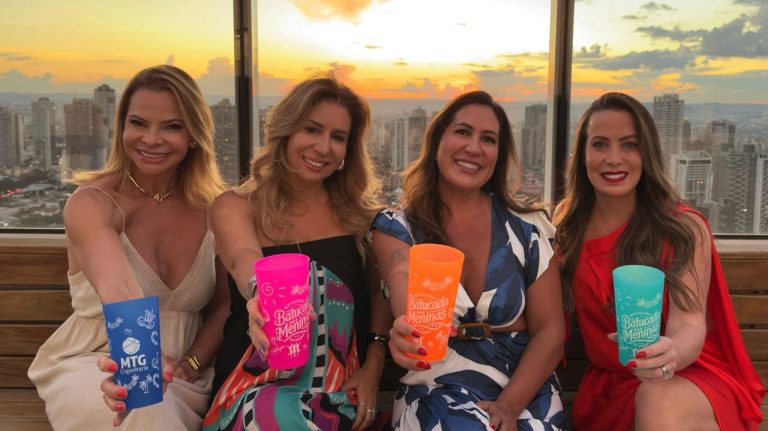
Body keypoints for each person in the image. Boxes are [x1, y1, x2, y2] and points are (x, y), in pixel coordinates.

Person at [27, 64, 230, 430]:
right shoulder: (91, 203)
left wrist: (191, 364)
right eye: (138, 123)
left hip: (189, 376)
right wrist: (143, 368)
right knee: (142, 404)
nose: (151, 139)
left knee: (153, 404)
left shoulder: (214, 209)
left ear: (194, 135)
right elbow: (119, 290)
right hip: (96, 363)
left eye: (171, 126)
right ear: (121, 127)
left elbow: (224, 305)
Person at [553, 92, 765, 430]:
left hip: (687, 376)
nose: (613, 159)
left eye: (629, 145)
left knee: (657, 400)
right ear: (583, 155)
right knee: (650, 398)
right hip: (612, 385)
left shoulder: (683, 227)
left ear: (647, 153)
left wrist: (670, 352)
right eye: (600, 145)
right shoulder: (567, 223)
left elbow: (689, 322)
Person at [202, 74, 393, 431]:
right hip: (253, 391)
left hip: (337, 394)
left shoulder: (360, 218)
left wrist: (374, 364)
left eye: (338, 137)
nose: (324, 147)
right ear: (286, 131)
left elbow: (378, 291)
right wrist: (259, 293)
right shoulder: (237, 206)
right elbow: (243, 256)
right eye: (312, 129)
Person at [371, 91, 566, 431]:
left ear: (498, 155)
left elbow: (550, 330)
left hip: (524, 388)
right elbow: (402, 275)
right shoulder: (397, 227)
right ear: (437, 142)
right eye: (462, 132)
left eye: (488, 139)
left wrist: (509, 405)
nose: (474, 147)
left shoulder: (529, 229)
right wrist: (407, 332)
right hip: (435, 384)